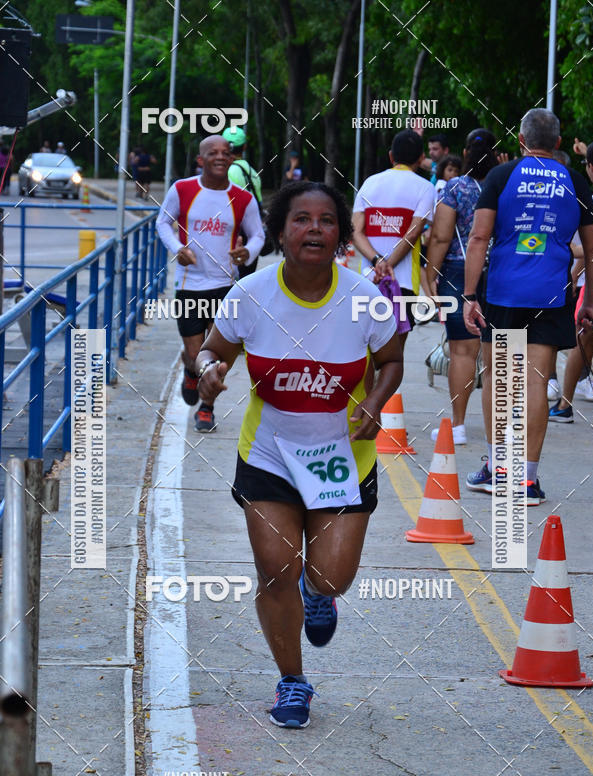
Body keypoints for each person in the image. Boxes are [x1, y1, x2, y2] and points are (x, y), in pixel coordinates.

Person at [195, 182, 403, 728]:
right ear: (281, 231)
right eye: (302, 219)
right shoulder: (250, 294)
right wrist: (208, 372)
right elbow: (215, 348)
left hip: (342, 457)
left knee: (331, 577)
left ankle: (319, 593)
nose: (315, 228)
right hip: (269, 456)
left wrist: (377, 401)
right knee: (274, 570)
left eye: (327, 220)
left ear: (340, 236)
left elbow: (393, 360)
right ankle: (292, 681)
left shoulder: (364, 298)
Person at [463, 108, 593, 504]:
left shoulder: (500, 177)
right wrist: (589, 300)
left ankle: (497, 468)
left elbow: (478, 237)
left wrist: (470, 296)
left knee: (498, 379)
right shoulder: (575, 181)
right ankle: (526, 480)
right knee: (536, 382)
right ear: (558, 143)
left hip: (504, 293)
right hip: (553, 294)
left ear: (521, 141)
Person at [156, 135, 264, 431]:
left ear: (231, 159)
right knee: (195, 354)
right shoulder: (182, 190)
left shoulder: (243, 198)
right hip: (190, 285)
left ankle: (207, 408)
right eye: (212, 153)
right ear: (200, 160)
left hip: (226, 286)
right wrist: (177, 249)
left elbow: (258, 235)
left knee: (217, 354)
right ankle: (191, 371)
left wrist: (247, 252)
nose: (220, 156)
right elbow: (162, 222)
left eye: (225, 152)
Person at [426, 130, 499, 445]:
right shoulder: (504, 187)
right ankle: (501, 431)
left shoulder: (456, 187)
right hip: (499, 271)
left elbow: (441, 236)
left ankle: (457, 426)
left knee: (462, 351)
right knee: (501, 352)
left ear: (466, 153)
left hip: (458, 270)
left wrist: (430, 273)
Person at [352, 129, 436, 348]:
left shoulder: (370, 183)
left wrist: (377, 262)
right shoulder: (426, 188)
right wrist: (389, 264)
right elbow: (414, 232)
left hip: (369, 280)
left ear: (391, 156)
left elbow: (355, 230)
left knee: (367, 349)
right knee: (395, 354)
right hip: (405, 282)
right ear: (421, 158)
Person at [549, 139, 593, 421]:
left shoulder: (592, 202)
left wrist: (572, 271)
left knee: (580, 337)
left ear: (590, 167)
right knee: (586, 337)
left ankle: (564, 405)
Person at [223, 126, 263, 276]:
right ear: (244, 146)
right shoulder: (253, 172)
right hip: (251, 232)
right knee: (247, 279)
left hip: (235, 233)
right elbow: (258, 203)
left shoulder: (228, 171)